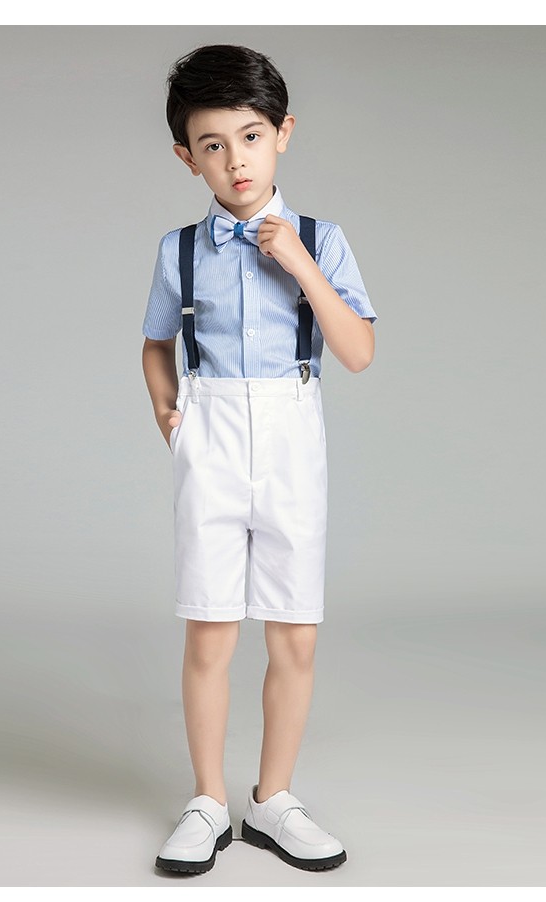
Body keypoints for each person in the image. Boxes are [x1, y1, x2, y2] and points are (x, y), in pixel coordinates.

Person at [141, 44, 376, 874]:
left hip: (289, 429)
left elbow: (358, 352)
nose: (235, 160)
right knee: (209, 630)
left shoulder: (321, 239)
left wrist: (299, 263)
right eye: (212, 145)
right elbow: (156, 343)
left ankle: (272, 798)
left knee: (294, 632)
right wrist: (170, 416)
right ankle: (208, 800)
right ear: (187, 156)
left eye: (250, 137)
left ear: (283, 133)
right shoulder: (179, 250)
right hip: (210, 432)